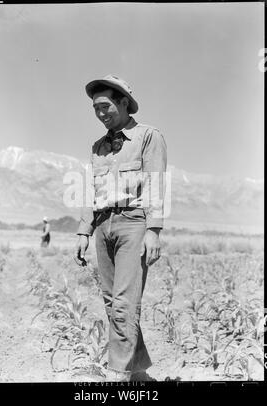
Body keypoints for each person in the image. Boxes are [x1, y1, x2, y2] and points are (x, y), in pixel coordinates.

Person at [74, 75, 167, 382]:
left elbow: (157, 184)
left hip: (134, 224)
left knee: (126, 302)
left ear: (124, 102)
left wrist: (154, 230)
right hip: (103, 226)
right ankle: (138, 374)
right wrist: (83, 231)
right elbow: (90, 190)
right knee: (113, 302)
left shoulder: (148, 137)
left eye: (106, 106)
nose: (100, 114)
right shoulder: (97, 147)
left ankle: (119, 376)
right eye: (95, 108)